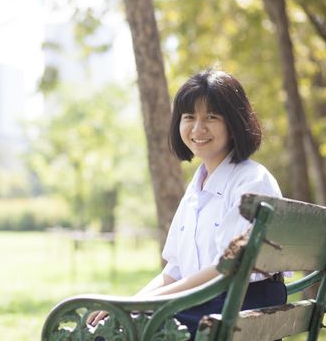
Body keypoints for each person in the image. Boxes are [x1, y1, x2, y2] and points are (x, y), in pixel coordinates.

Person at [87, 69, 287, 339]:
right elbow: (175, 271)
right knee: (108, 326)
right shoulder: (197, 187)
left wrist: (139, 307)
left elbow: (225, 270)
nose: (197, 128)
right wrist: (128, 303)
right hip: (211, 303)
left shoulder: (251, 181)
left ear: (234, 122)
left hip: (237, 304)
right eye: (189, 117)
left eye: (211, 117)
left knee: (110, 334)